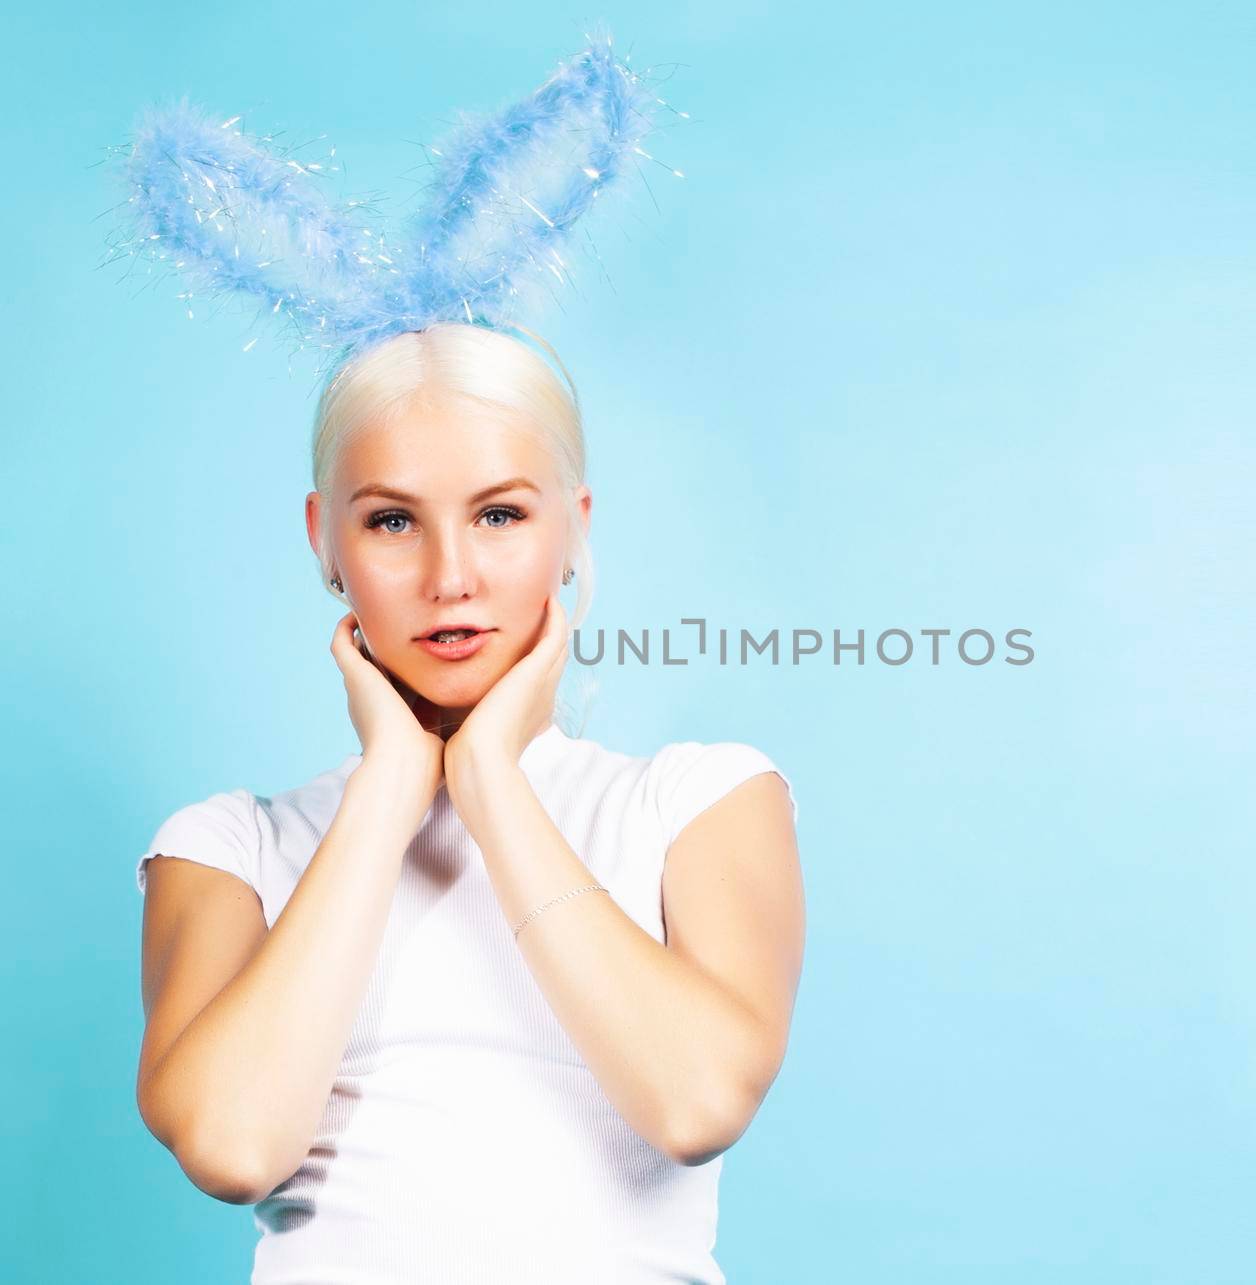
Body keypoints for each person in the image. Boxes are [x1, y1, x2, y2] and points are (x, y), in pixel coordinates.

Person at [133, 320, 804, 1283]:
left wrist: (489, 777)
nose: (452, 579)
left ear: (572, 527)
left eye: (499, 515)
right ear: (326, 539)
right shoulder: (229, 848)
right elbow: (234, 1149)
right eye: (393, 521)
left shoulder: (699, 804)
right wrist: (391, 787)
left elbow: (695, 1103)